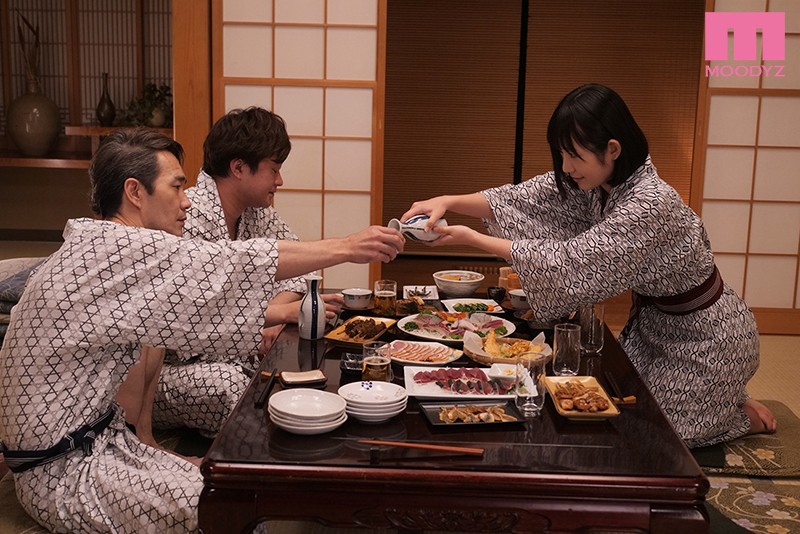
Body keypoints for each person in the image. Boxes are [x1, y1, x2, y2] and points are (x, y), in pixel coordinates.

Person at [0, 128, 403, 533]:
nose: (187, 199)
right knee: (226, 504)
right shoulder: (109, 252)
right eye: (176, 186)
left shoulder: (104, 246)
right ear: (135, 192)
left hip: (104, 443)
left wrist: (151, 452)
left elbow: (221, 276)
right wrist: (347, 247)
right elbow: (227, 264)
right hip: (63, 471)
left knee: (229, 485)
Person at [401, 83, 776, 448]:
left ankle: (739, 416)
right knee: (617, 412)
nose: (566, 167)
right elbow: (522, 200)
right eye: (561, 155)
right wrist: (447, 201)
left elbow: (573, 262)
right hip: (655, 328)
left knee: (662, 438)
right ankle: (723, 396)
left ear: (612, 149)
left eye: (574, 156)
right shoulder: (603, 183)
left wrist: (471, 238)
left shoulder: (650, 202)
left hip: (708, 336)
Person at [143, 107, 337, 436]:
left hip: (237, 352)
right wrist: (269, 317)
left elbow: (301, 266)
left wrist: (273, 314)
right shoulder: (186, 216)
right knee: (231, 384)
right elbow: (193, 324)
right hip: (170, 370)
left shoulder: (256, 213)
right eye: (274, 170)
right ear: (238, 168)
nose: (279, 181)